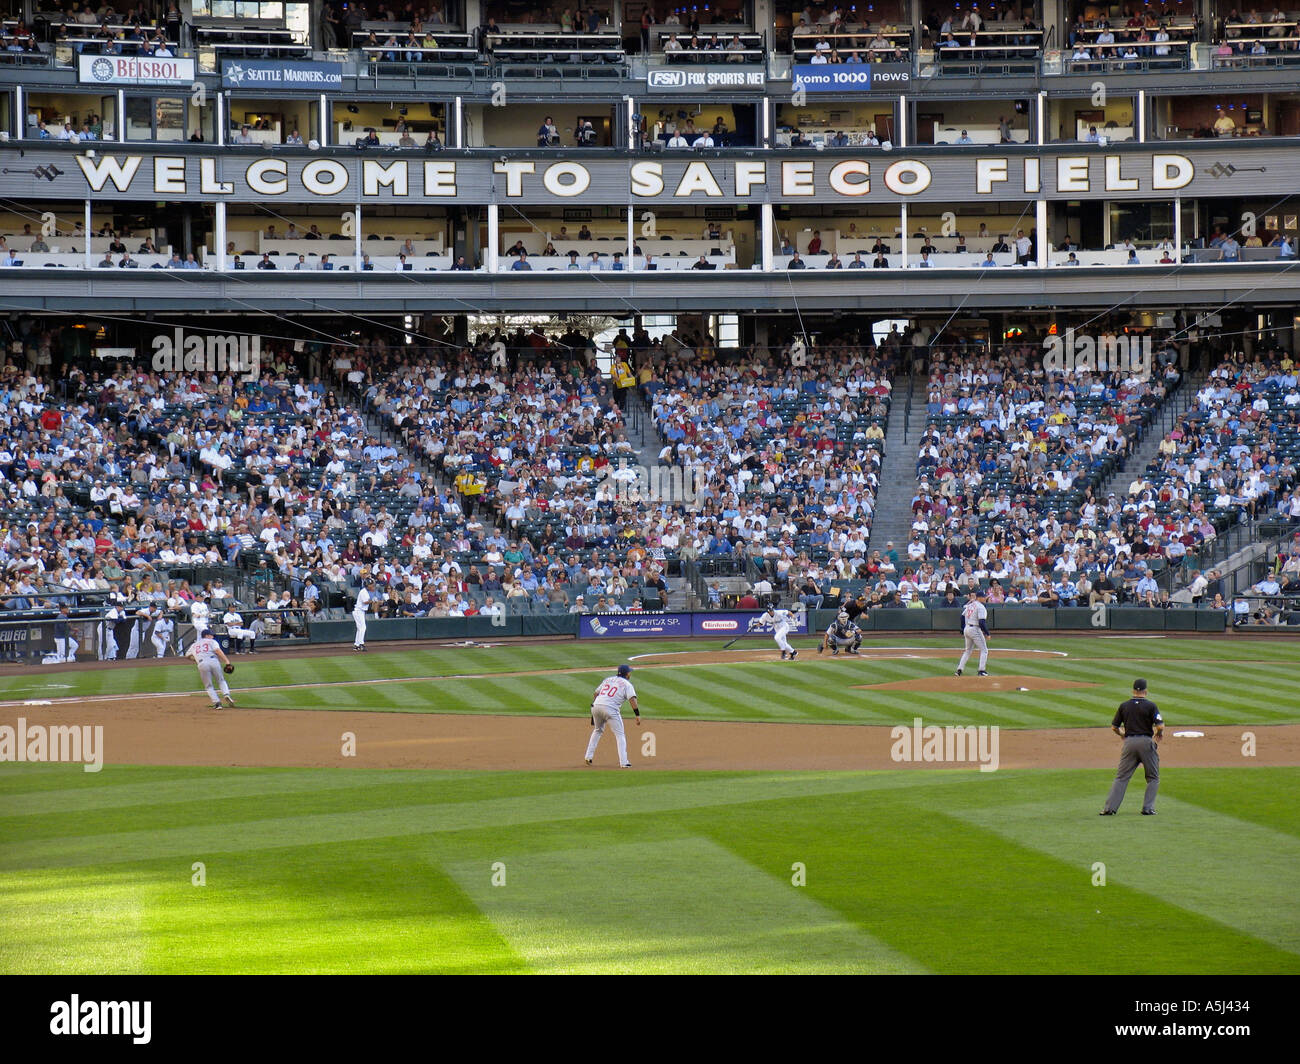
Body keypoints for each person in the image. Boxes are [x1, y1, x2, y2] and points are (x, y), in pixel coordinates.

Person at [1100, 678, 1163, 815]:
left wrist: (1122, 734)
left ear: (1133, 691)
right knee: (1153, 778)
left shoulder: (1124, 706)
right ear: (1146, 691)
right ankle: (1148, 808)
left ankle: (1109, 809)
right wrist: (1159, 734)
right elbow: (1160, 725)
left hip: (1129, 743)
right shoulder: (1151, 706)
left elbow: (1114, 727)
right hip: (1146, 743)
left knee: (1121, 777)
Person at [584, 663, 640, 767]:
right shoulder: (627, 684)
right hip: (610, 709)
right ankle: (624, 762)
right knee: (620, 735)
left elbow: (596, 693)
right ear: (627, 674)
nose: (630, 674)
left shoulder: (608, 679)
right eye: (629, 672)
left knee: (597, 730)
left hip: (596, 706)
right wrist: (637, 715)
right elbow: (632, 699)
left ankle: (588, 756)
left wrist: (595, 708)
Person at [188, 628, 236, 710]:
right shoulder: (212, 642)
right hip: (213, 661)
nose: (213, 636)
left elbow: (188, 655)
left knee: (208, 686)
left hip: (202, 663)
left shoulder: (194, 645)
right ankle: (226, 694)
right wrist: (227, 661)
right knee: (221, 680)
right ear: (206, 635)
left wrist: (197, 658)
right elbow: (217, 651)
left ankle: (217, 703)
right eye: (211, 635)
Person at [954, 588, 989, 676]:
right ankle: (981, 670)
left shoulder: (970, 605)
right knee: (984, 650)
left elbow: (962, 617)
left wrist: (962, 628)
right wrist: (987, 633)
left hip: (967, 628)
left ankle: (959, 670)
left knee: (968, 651)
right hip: (974, 629)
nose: (985, 598)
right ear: (979, 598)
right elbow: (981, 622)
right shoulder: (981, 607)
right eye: (983, 597)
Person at [353, 577, 374, 651]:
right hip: (359, 611)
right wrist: (372, 601)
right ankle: (361, 644)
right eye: (371, 584)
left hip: (360, 611)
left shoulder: (365, 591)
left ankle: (357, 645)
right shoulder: (363, 591)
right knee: (363, 628)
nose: (372, 586)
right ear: (367, 585)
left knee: (360, 629)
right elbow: (365, 602)